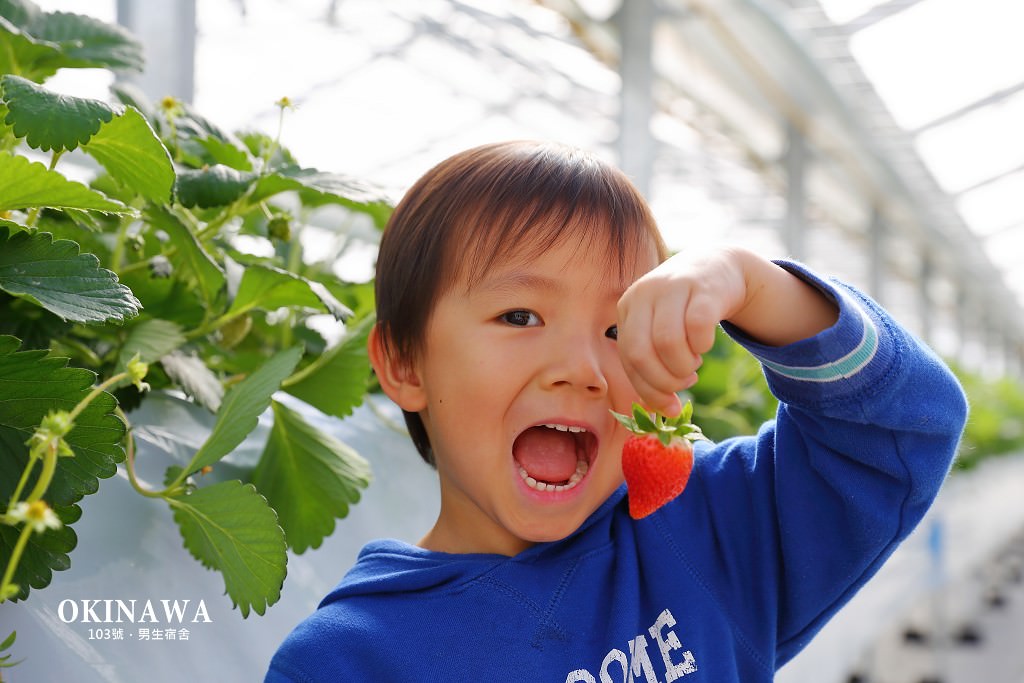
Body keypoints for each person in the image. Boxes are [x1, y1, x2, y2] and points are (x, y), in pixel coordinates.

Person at [265, 140, 967, 682]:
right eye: (520, 315)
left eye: (616, 327)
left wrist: (749, 282)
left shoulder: (707, 532)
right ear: (404, 363)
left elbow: (903, 423)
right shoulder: (348, 660)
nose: (583, 368)